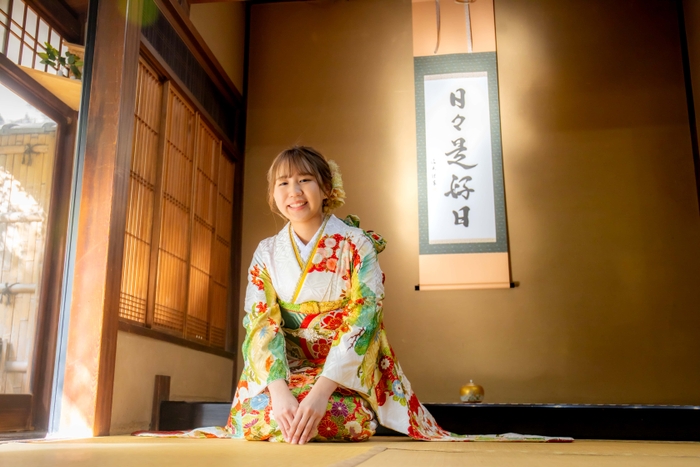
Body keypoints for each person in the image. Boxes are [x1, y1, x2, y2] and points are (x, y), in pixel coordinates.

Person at [136, 145, 570, 444]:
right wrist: (282, 392)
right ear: (273, 195)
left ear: (327, 188)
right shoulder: (267, 252)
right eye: (283, 183)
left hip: (340, 376)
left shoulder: (356, 245)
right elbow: (262, 322)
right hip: (288, 373)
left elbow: (364, 320)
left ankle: (318, 414)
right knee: (261, 415)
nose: (293, 192)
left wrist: (321, 391)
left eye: (304, 180)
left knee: (346, 419)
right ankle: (293, 415)